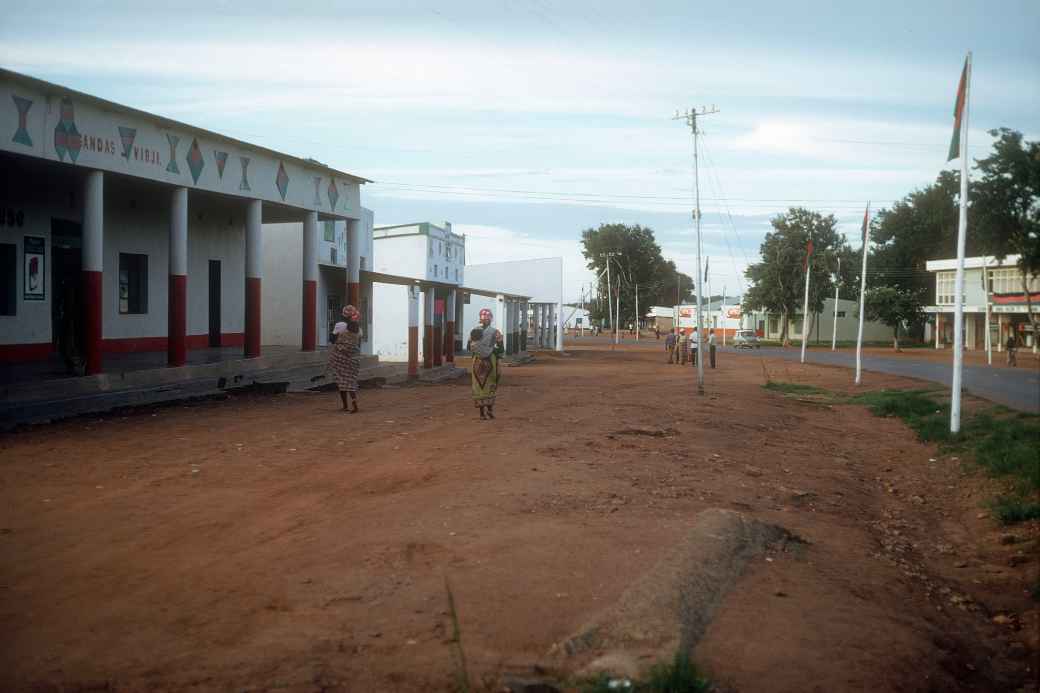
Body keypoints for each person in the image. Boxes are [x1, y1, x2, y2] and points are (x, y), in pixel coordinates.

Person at [469, 308, 504, 420]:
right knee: (491, 384)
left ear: (480, 319)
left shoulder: (474, 331)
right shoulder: (495, 332)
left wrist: (477, 349)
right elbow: (501, 349)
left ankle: (482, 414)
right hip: (490, 361)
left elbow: (469, 347)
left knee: (479, 386)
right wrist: (493, 352)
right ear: (491, 320)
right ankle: (489, 410)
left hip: (476, 362)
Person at [327, 305, 362, 412]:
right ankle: (354, 403)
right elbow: (358, 343)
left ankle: (345, 406)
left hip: (339, 356)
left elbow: (332, 339)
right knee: (350, 380)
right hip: (353, 358)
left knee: (341, 380)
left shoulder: (340, 325)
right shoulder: (359, 330)